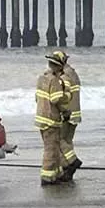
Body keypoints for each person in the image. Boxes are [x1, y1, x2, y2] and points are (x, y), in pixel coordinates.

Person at [35, 53, 71, 185]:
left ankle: (56, 174)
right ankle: (47, 177)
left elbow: (37, 98)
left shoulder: (41, 78)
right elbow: (56, 99)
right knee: (51, 150)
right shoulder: (54, 81)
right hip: (51, 120)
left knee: (54, 148)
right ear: (59, 67)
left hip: (42, 119)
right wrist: (66, 95)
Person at [53, 51, 82, 181]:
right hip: (76, 114)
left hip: (67, 114)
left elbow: (62, 97)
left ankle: (72, 162)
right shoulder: (73, 73)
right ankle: (67, 171)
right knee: (68, 142)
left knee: (59, 140)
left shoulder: (64, 77)